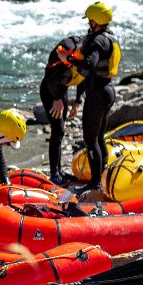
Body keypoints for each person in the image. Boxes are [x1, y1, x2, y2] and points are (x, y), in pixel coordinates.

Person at [70, 2, 121, 189]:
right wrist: (77, 99)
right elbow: (89, 75)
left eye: (90, 20)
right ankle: (103, 176)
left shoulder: (97, 41)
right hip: (107, 91)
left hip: (98, 95)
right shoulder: (109, 38)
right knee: (99, 135)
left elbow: (89, 65)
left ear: (95, 22)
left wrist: (68, 60)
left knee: (90, 139)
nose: (88, 24)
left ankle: (94, 183)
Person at [40, 34, 83, 183]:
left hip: (61, 91)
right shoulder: (64, 49)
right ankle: (54, 175)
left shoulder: (87, 53)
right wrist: (57, 99)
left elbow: (83, 76)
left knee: (61, 131)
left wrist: (77, 101)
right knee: (58, 130)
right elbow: (49, 76)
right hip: (50, 91)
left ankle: (59, 172)